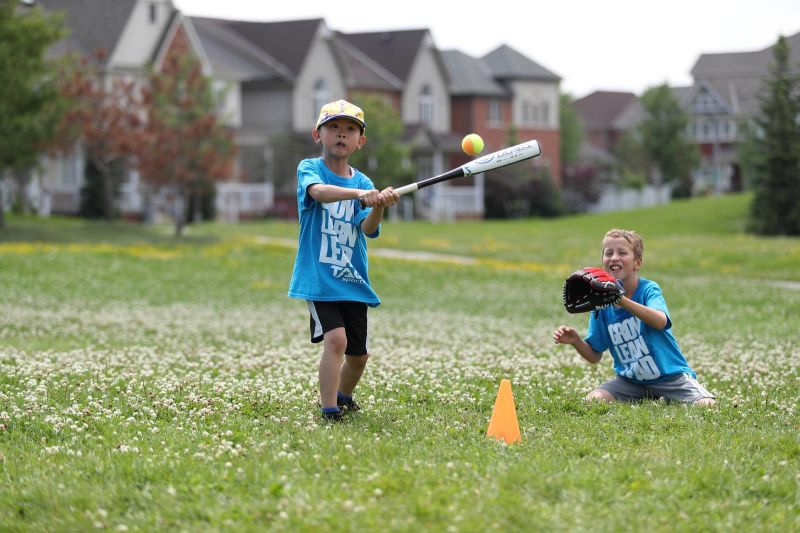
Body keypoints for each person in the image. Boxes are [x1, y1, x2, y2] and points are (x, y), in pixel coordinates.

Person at [288, 99, 399, 422]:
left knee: (359, 356)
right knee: (336, 340)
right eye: (333, 127)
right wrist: (358, 195)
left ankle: (343, 397)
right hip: (319, 278)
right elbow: (318, 193)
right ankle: (329, 411)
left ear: (360, 141)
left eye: (350, 129)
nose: (341, 133)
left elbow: (368, 229)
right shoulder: (310, 168)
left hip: (352, 279)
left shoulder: (364, 183)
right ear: (317, 135)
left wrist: (378, 205)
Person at [553, 228, 715, 405]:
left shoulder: (648, 290)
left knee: (706, 404)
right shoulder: (602, 305)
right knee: (593, 400)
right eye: (609, 253)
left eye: (622, 253)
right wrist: (576, 340)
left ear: (637, 263)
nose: (614, 257)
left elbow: (660, 321)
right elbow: (594, 356)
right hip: (630, 382)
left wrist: (621, 300)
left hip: (670, 378)